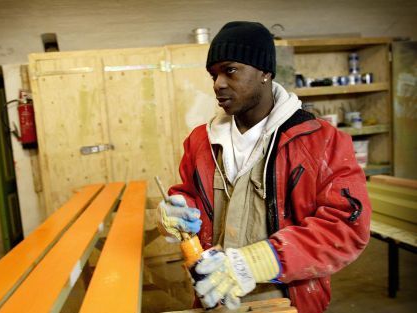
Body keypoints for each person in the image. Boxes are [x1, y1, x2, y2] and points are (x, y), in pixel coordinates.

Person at [157, 21, 371, 313]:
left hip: (289, 300)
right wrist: (177, 211)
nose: (218, 83)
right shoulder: (200, 141)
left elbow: (346, 227)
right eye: (213, 74)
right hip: (215, 296)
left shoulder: (322, 142)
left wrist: (254, 263)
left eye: (229, 70)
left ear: (265, 73)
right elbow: (190, 195)